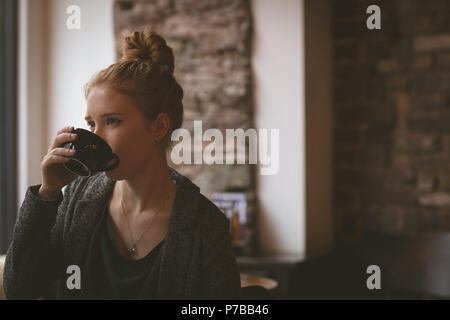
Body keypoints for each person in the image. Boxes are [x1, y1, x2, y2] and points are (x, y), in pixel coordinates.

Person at [3, 30, 242, 300]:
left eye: (112, 121)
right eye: (92, 124)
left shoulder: (205, 227)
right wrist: (47, 194)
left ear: (159, 126)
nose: (96, 137)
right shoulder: (77, 199)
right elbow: (18, 289)